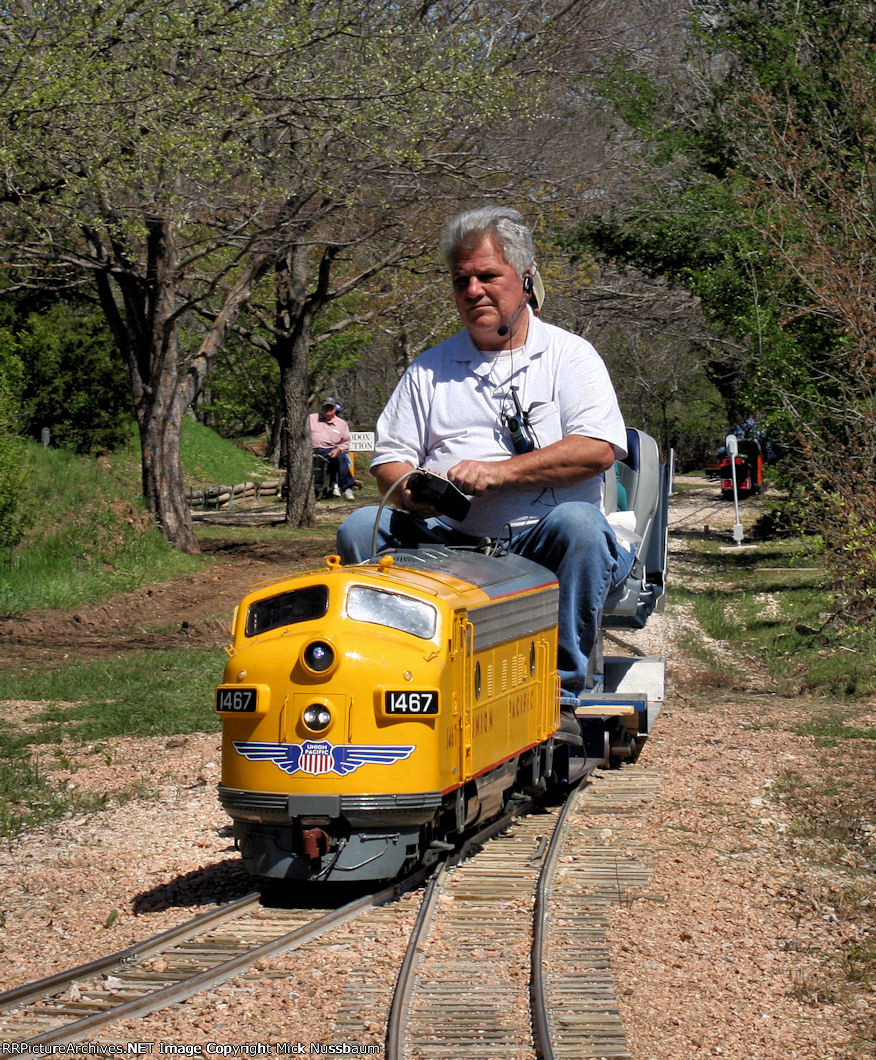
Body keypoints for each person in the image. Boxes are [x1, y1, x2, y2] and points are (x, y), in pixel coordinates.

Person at [336, 206, 635, 703]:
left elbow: (597, 450)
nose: (473, 291)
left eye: (487, 276)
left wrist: (499, 474)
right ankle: (397, 674)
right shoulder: (429, 369)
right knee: (361, 525)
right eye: (461, 281)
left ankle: (561, 691)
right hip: (450, 545)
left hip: (540, 545)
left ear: (524, 278)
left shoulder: (569, 356)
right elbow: (389, 457)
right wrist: (412, 491)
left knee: (580, 524)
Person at [309, 397, 356, 501]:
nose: (328, 409)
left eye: (331, 407)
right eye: (326, 407)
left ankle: (346, 488)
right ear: (322, 407)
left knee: (342, 457)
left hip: (331, 450)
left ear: (335, 409)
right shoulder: (311, 419)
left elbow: (346, 443)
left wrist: (338, 449)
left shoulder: (341, 424)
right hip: (310, 450)